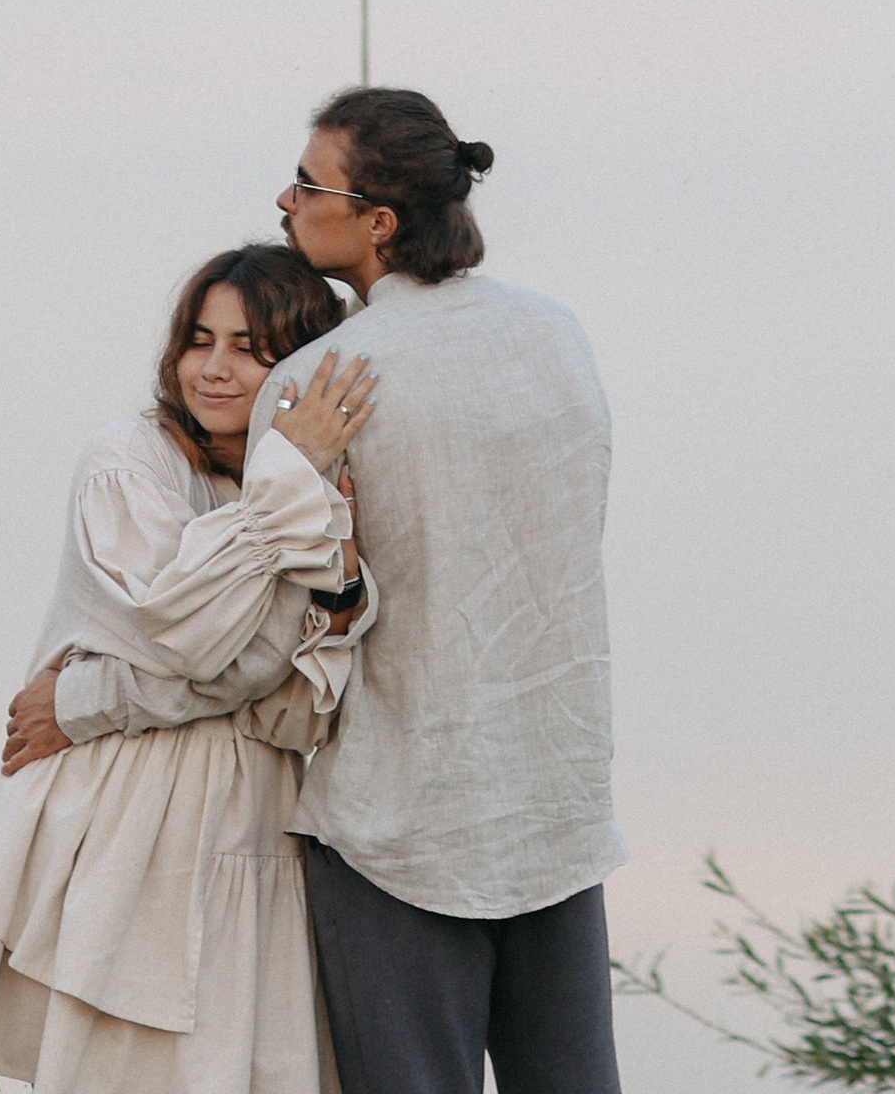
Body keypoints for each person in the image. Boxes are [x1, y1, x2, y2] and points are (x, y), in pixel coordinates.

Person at [0, 242, 380, 1094]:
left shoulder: (313, 487)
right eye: (200, 340)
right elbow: (198, 643)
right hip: (131, 817)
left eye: (251, 348)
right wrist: (294, 492)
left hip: (258, 821)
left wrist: (84, 699)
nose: (217, 369)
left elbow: (296, 708)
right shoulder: (127, 459)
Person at [262, 87, 625, 1094]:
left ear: (377, 221)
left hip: (397, 819)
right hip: (552, 793)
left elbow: (267, 637)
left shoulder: (315, 383)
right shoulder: (556, 336)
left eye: (306, 182)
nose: (284, 200)